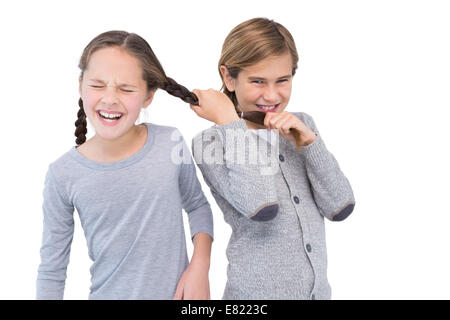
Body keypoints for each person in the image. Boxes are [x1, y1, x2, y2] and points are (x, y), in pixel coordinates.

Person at [36, 30, 213, 300]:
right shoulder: (62, 174)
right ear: (80, 85)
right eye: (97, 85)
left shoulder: (169, 142)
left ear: (148, 95)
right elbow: (52, 271)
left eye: (126, 89)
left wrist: (200, 267)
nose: (110, 98)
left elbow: (198, 206)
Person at [190, 18, 355, 300]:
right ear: (229, 77)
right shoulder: (212, 142)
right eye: (257, 81)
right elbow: (260, 205)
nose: (271, 94)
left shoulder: (302, 123)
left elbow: (340, 206)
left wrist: (310, 144)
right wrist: (230, 123)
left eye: (283, 80)